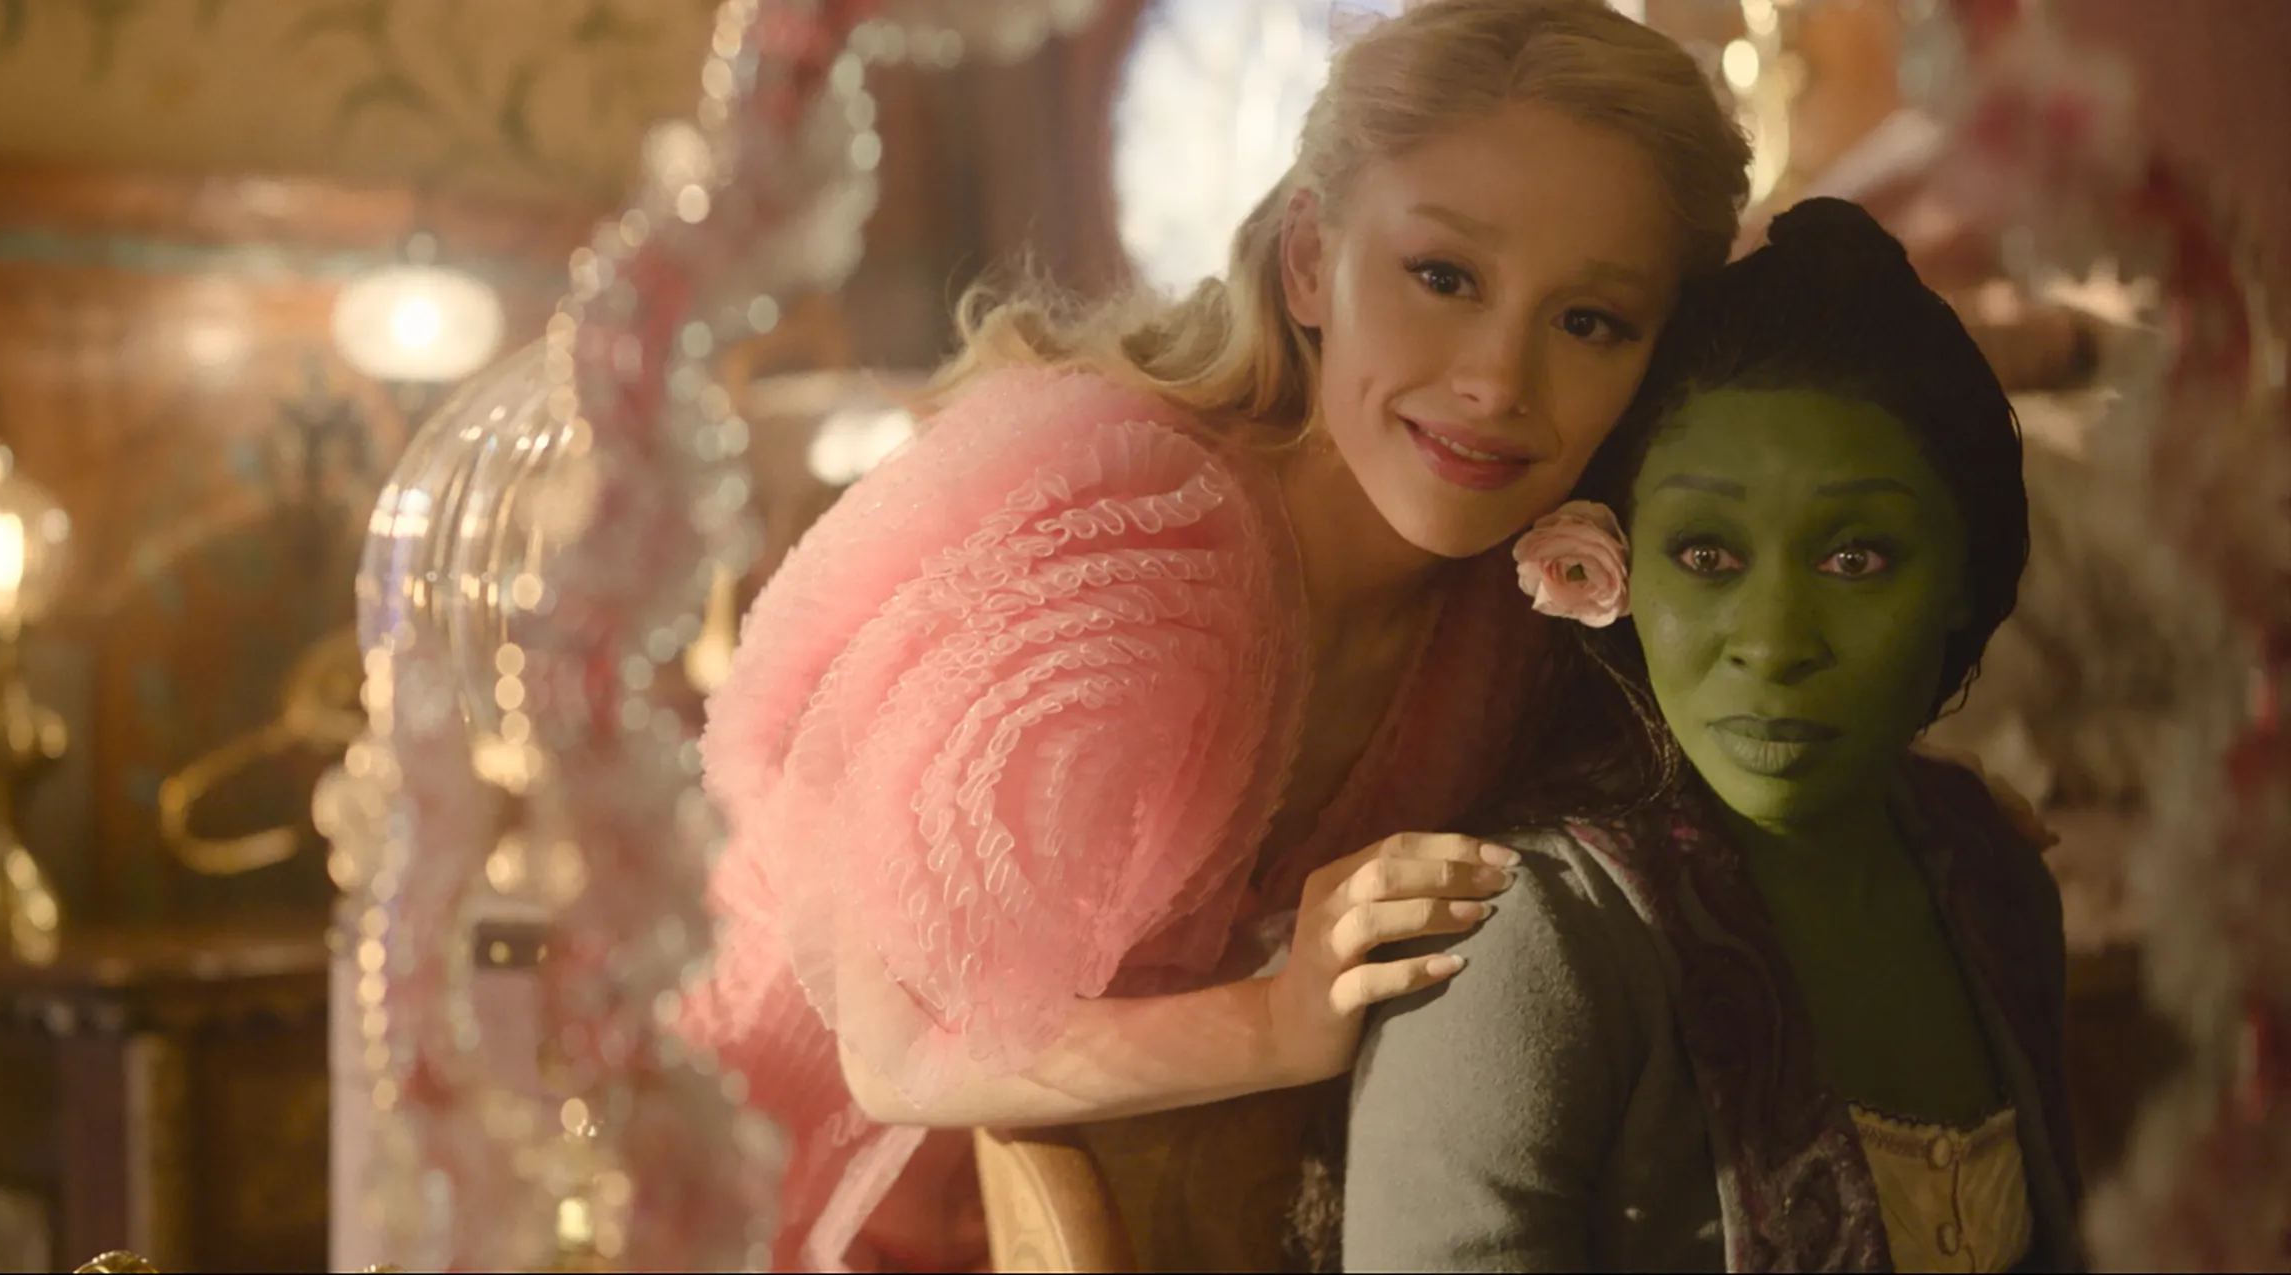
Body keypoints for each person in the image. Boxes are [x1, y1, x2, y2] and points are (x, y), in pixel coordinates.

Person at [681, 1, 1751, 1268]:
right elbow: (897, 1048)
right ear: (1307, 260)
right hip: (773, 1202)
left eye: (1588, 322)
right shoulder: (1141, 573)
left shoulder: (1511, 611)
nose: (1496, 380)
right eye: (1442, 276)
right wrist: (1278, 1021)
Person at [1337, 198, 2079, 1271]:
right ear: (1612, 569)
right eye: (1705, 556)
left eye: (1855, 559)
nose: (1772, 644)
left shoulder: (1993, 873)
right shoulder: (1523, 947)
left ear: (1961, 575)